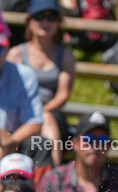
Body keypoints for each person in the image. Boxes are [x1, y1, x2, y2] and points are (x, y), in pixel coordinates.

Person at [5, 0, 75, 168]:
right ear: (29, 21)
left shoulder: (65, 55)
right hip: (20, 111)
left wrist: (39, 113)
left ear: (59, 22)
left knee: (46, 119)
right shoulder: (16, 53)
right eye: (39, 16)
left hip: (50, 111)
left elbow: (63, 95)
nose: (45, 22)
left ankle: (53, 176)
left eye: (51, 17)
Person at [0, 31, 43, 162]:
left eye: (0, 48)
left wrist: (10, 141)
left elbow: (35, 122)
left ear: (8, 48)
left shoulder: (25, 74)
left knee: (40, 144)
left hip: (12, 141)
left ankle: (47, 182)